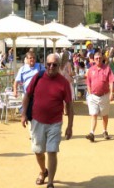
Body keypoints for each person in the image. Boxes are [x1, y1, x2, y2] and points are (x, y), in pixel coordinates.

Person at [21, 52, 73, 188]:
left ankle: (50, 182)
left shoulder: (64, 83)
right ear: (45, 64)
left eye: (54, 65)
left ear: (58, 66)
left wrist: (70, 126)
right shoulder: (37, 77)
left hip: (55, 122)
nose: (51, 67)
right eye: (48, 64)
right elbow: (27, 95)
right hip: (37, 121)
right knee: (38, 151)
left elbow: (69, 105)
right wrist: (23, 114)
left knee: (52, 151)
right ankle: (43, 171)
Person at [85, 52, 114, 142]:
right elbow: (88, 83)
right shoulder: (91, 70)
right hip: (93, 96)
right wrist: (90, 94)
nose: (98, 59)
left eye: (99, 58)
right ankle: (92, 133)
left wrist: (111, 94)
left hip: (104, 95)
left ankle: (105, 131)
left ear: (102, 58)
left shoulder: (107, 69)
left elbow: (111, 81)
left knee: (104, 115)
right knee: (94, 114)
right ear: (94, 60)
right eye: (96, 58)